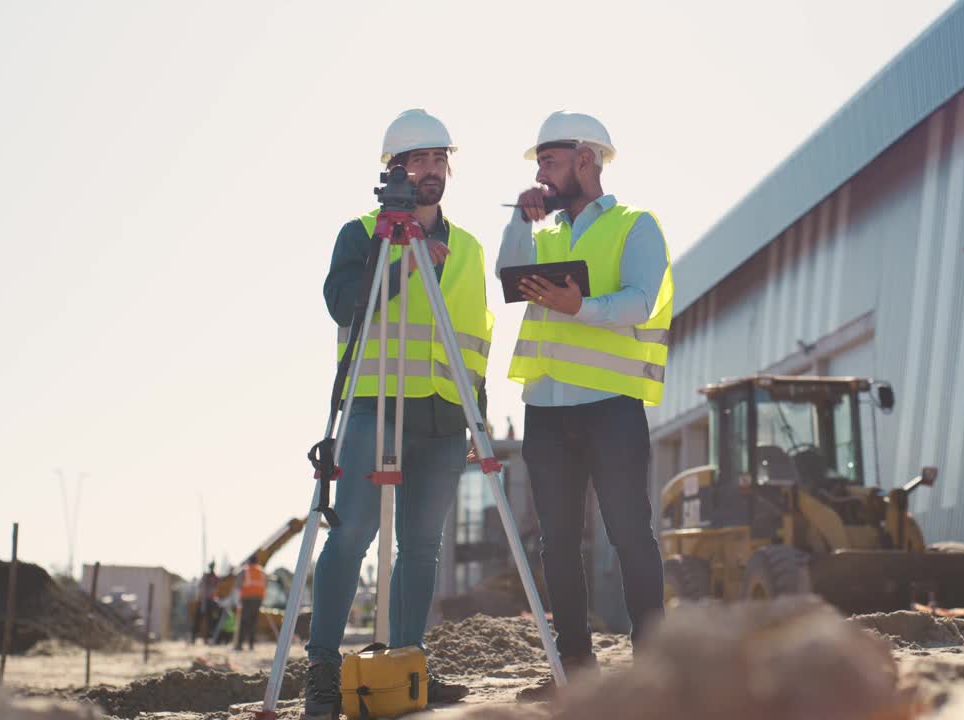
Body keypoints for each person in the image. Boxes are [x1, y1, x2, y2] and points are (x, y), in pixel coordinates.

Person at [302, 109, 492, 720]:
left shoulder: (468, 248)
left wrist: (476, 417)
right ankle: (323, 672)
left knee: (422, 547)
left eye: (440, 159)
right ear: (394, 170)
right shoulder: (361, 234)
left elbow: (476, 339)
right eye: (419, 159)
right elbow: (342, 307)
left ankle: (410, 663)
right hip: (374, 405)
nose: (431, 169)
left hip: (441, 417)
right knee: (353, 531)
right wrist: (404, 264)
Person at [498, 111, 674, 700]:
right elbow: (508, 274)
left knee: (629, 532)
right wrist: (522, 221)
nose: (540, 171)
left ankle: (653, 669)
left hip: (611, 406)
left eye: (548, 159)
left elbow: (642, 301)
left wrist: (584, 308)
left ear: (584, 160)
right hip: (546, 407)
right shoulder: (542, 230)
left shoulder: (635, 224)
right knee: (557, 541)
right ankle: (575, 670)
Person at [233, 556, 266, 651]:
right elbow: (265, 585)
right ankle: (251, 644)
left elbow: (238, 585)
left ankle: (239, 644)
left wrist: (237, 600)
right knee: (253, 622)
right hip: (258, 599)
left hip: (247, 598)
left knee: (243, 621)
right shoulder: (262, 571)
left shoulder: (245, 570)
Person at [191, 562, 219, 644]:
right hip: (203, 600)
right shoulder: (207, 576)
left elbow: (215, 589)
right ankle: (194, 637)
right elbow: (201, 588)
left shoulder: (215, 578)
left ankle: (207, 638)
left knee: (210, 621)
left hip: (209, 601)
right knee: (198, 620)